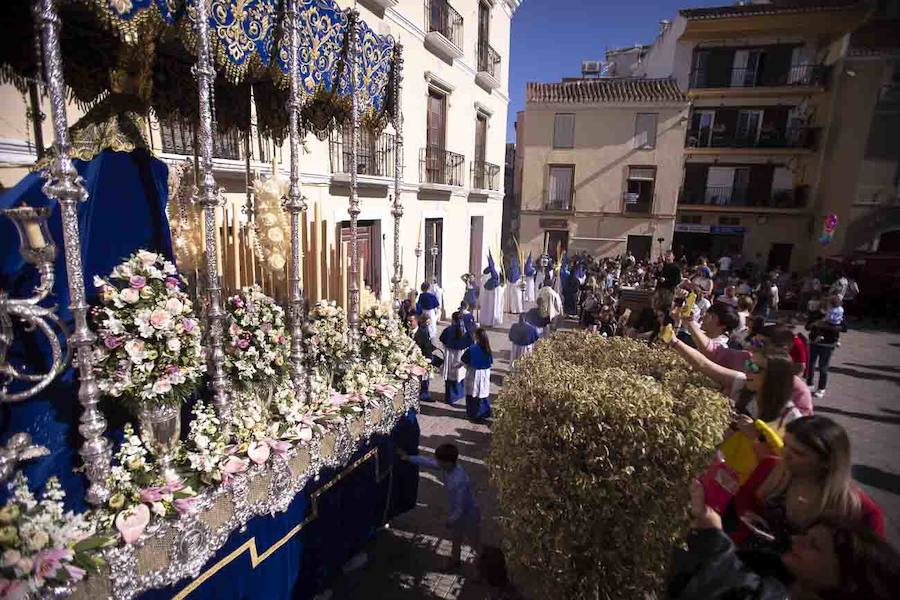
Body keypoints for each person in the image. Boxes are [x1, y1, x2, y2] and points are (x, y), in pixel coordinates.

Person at [668, 480, 900, 600]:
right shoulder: (773, 571)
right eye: (806, 536)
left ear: (849, 579)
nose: (796, 541)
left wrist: (712, 537)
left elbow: (728, 588)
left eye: (814, 545)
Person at [729, 416, 885, 548]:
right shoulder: (769, 467)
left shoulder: (862, 512)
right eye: (786, 445)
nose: (785, 454)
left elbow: (868, 565)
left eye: (798, 453)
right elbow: (742, 502)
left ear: (826, 462)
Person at [667, 327, 802, 434]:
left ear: (774, 375)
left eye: (755, 368)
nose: (748, 370)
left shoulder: (790, 417)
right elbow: (705, 366)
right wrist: (674, 342)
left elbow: (789, 460)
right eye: (749, 364)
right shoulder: (744, 385)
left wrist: (756, 437)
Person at [399, 444, 481, 571]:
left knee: (475, 544)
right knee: (456, 538)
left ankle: (481, 569)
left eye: (439, 461)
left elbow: (461, 506)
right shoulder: (449, 468)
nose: (437, 463)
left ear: (447, 462)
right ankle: (455, 561)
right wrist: (409, 458)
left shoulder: (460, 481)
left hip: (469, 515)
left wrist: (451, 520)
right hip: (459, 513)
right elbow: (428, 462)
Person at [682, 301, 748, 371]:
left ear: (723, 326)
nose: (703, 317)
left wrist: (690, 323)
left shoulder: (720, 348)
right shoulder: (697, 330)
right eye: (706, 314)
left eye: (710, 316)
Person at [806, 296, 843, 399]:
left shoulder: (837, 315)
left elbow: (843, 328)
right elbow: (807, 326)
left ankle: (821, 388)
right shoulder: (817, 314)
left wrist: (824, 325)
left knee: (823, 367)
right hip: (814, 342)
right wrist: (815, 324)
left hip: (828, 344)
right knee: (811, 364)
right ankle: (809, 384)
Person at [438, 312, 473, 404]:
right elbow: (470, 344)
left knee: (451, 376)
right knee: (460, 374)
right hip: (461, 356)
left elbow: (443, 341)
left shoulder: (448, 330)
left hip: (450, 355)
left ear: (453, 319)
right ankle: (459, 393)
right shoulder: (466, 331)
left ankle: (450, 397)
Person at [461, 328, 493, 421]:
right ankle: (484, 412)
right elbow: (490, 362)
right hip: (484, 373)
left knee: (473, 394)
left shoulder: (472, 348)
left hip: (473, 373)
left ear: (477, 337)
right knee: (482, 393)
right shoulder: (487, 348)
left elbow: (464, 360)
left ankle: (473, 413)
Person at [410, 313, 435, 402]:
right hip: (409, 361)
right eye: (408, 321)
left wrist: (428, 359)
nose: (409, 323)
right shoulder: (406, 332)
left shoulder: (423, 333)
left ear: (416, 321)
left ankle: (424, 395)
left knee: (423, 380)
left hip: (420, 359)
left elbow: (427, 347)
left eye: (411, 321)